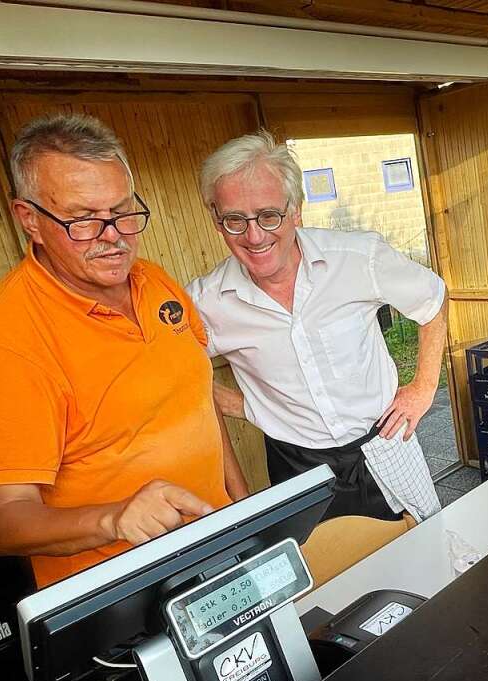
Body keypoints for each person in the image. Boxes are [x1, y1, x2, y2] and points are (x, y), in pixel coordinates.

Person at [0, 114, 248, 588]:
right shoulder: (5, 337)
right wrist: (114, 519)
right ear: (28, 218)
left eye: (122, 212)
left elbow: (199, 406)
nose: (113, 236)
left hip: (215, 551)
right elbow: (2, 522)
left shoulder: (154, 281)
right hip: (121, 592)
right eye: (83, 221)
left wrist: (241, 512)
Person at [188, 131, 447, 524]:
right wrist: (245, 406)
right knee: (324, 575)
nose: (255, 236)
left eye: (269, 216)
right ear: (215, 220)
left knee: (426, 555)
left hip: (385, 443)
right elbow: (175, 372)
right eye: (235, 221)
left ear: (296, 210)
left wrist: (424, 387)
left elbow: (433, 298)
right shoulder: (207, 302)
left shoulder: (358, 259)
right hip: (296, 464)